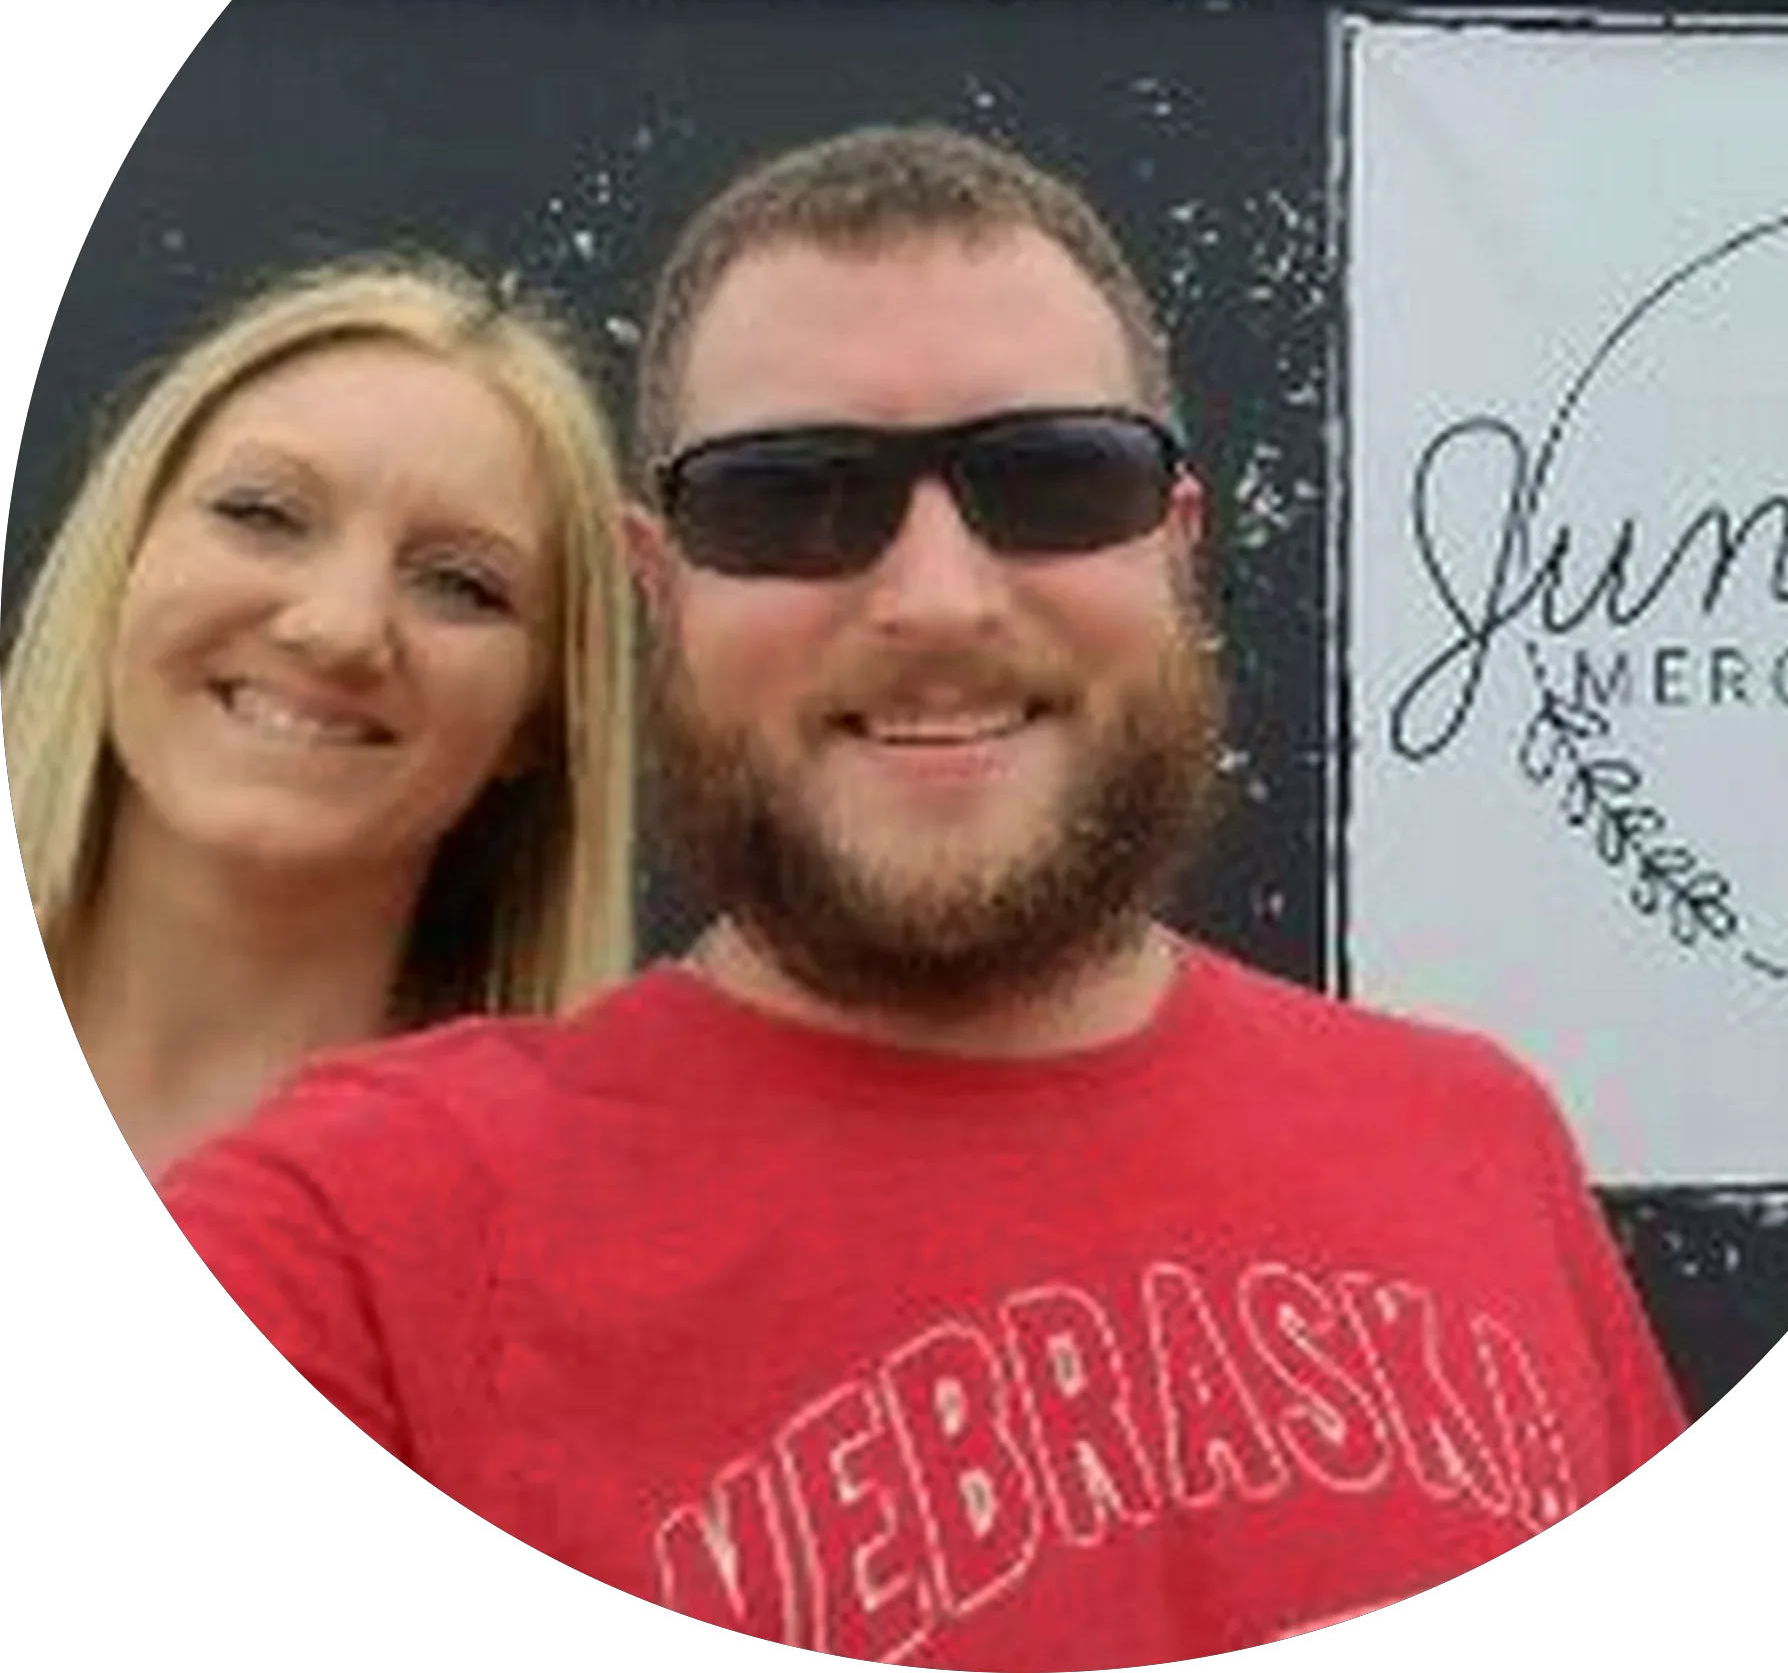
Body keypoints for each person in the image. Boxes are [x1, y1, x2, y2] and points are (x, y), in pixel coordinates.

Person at [159, 131, 1687, 1669]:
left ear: (1176, 544)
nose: (938, 600)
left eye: (1054, 479)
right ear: (660, 586)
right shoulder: (351, 1251)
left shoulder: (1485, 1144)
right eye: (793, 498)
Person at [8, 255, 636, 1176]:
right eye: (262, 514)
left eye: (459, 585)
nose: (340, 629)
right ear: (125, 554)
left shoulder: (563, 1223)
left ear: (537, 719)